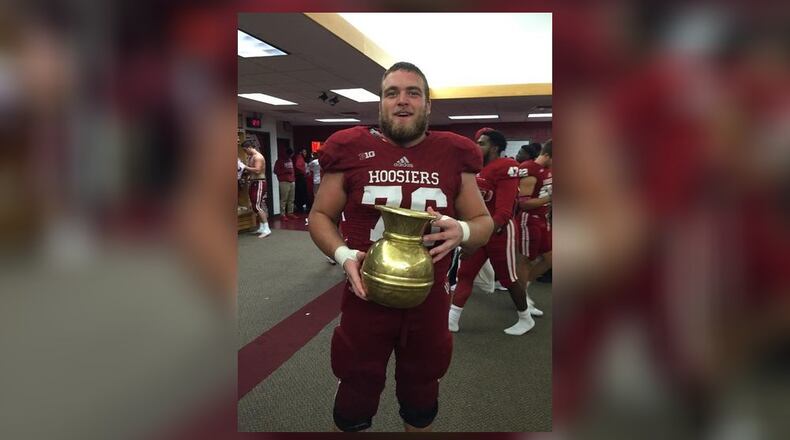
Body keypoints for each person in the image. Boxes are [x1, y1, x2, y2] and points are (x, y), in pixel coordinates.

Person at [308, 61, 494, 432]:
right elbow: (319, 216)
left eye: (413, 93)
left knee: (422, 396)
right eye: (392, 93)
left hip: (429, 299)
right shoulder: (349, 148)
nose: (402, 100)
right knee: (354, 397)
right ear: (381, 104)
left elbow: (484, 222)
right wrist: (343, 255)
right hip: (364, 296)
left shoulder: (453, 153)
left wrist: (463, 230)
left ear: (428, 105)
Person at [447, 129, 535, 336]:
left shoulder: (507, 167)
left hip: (500, 231)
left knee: (508, 278)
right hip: (480, 229)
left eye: (482, 143)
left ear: (495, 147)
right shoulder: (476, 168)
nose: (477, 146)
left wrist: (477, 237)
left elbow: (504, 212)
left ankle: (525, 317)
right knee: (465, 273)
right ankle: (452, 319)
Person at [515, 139, 553, 316]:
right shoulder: (529, 169)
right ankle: (521, 299)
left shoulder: (548, 170)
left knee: (551, 259)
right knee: (525, 260)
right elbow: (524, 203)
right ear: (546, 155)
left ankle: (524, 289)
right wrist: (550, 199)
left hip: (543, 218)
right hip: (528, 219)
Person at [241, 140, 272, 238]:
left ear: (250, 147)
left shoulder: (258, 157)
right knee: (254, 206)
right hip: (254, 182)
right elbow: (252, 171)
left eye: (246, 150)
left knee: (257, 206)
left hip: (259, 182)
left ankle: (267, 229)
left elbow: (258, 170)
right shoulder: (251, 157)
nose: (245, 152)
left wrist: (244, 166)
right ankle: (262, 227)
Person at [273, 147, 296, 219]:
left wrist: (294, 178)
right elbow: (275, 171)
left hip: (292, 181)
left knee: (291, 199)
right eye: (290, 155)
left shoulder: (290, 160)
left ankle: (290, 213)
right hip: (284, 181)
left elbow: (292, 170)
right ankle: (282, 214)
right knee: (284, 199)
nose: (291, 156)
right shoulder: (279, 161)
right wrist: (285, 171)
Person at [293, 148, 308, 213]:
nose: (305, 154)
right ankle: (300, 207)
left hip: (299, 177)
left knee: (300, 192)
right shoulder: (299, 157)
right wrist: (304, 172)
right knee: (301, 192)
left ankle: (300, 206)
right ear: (301, 152)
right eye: (304, 152)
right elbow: (297, 166)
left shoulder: (299, 157)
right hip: (300, 177)